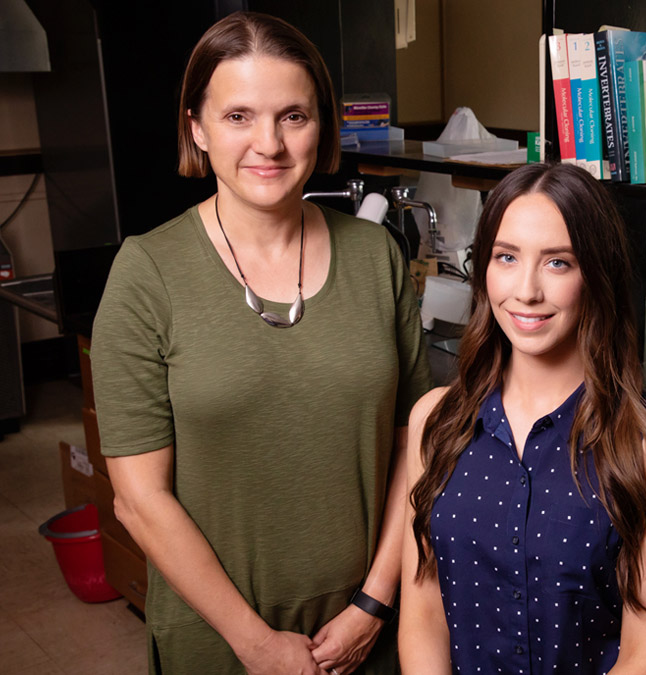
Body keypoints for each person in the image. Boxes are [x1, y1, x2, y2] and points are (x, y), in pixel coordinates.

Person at [91, 12, 431, 675]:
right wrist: (256, 644)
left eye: (293, 116)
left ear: (322, 125)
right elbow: (138, 499)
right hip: (217, 640)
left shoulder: (375, 255)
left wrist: (373, 603)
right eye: (239, 116)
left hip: (366, 631)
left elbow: (412, 445)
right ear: (197, 126)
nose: (268, 144)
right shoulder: (147, 272)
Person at [399, 162, 646, 674]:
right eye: (507, 257)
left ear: (596, 276)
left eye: (558, 263)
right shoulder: (435, 421)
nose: (527, 290)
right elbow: (424, 618)